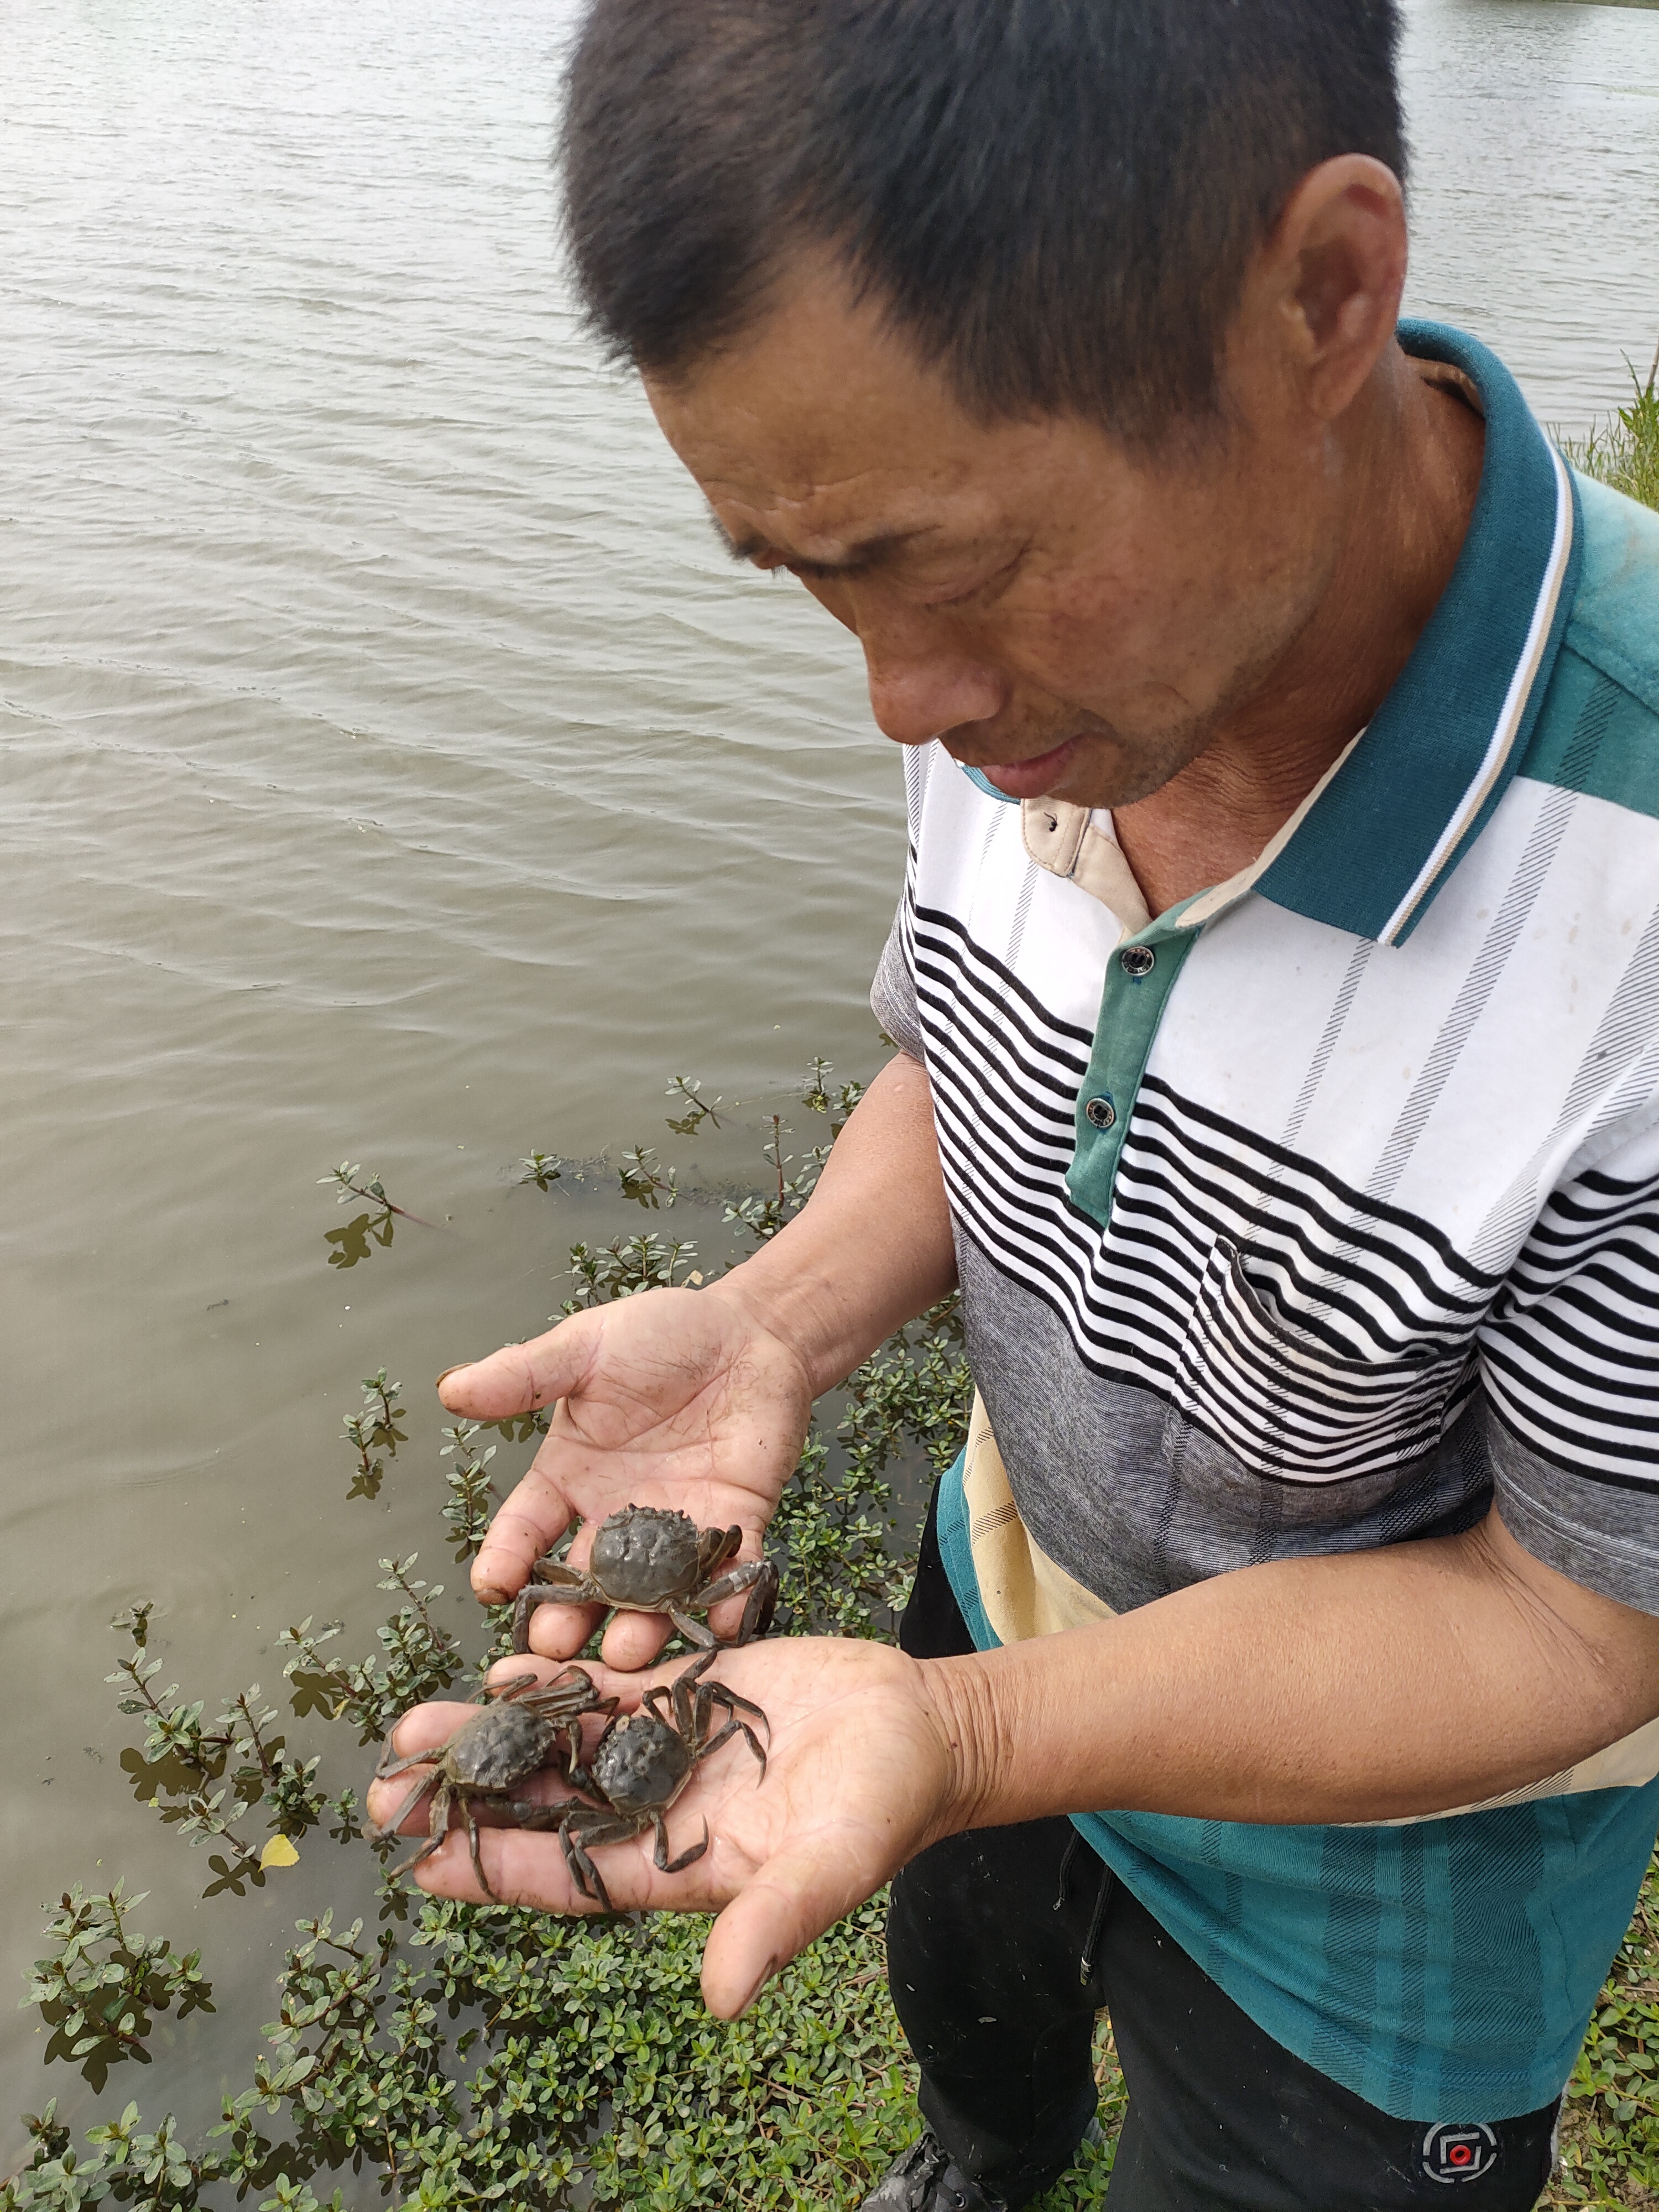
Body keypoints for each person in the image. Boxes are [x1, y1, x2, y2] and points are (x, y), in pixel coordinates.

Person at [367, 3, 1659, 2205]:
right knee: (979, 2021)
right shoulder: (1041, 686)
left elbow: (1579, 1617)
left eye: (942, 570)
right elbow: (991, 1050)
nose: (905, 701)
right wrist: (786, 1314)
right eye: (813, 576)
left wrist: (958, 1740)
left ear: (1326, 294)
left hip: (1382, 1893)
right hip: (1006, 1576)